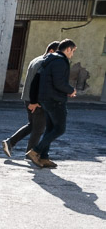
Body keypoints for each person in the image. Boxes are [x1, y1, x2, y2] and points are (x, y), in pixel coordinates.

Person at [1, 41, 59, 158]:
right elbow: (38, 84)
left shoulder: (36, 60)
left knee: (33, 125)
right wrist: (35, 101)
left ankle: (10, 142)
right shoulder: (45, 63)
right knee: (39, 129)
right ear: (51, 51)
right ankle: (31, 154)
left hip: (29, 98)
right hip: (36, 100)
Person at [27, 39, 78, 169]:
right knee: (60, 129)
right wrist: (71, 90)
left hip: (45, 99)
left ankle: (44, 157)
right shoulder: (60, 62)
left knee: (50, 129)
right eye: (72, 51)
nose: (72, 55)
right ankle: (35, 151)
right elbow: (59, 83)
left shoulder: (48, 60)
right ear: (68, 49)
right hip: (55, 100)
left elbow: (38, 81)